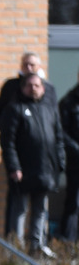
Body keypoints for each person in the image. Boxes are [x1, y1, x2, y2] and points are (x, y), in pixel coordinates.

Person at [0, 52, 59, 245]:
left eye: (33, 65)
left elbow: (57, 132)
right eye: (26, 64)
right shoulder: (13, 97)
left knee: (41, 208)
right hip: (22, 164)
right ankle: (15, 246)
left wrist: (59, 163)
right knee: (18, 207)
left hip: (45, 166)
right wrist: (14, 166)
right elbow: (8, 137)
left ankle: (37, 246)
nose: (30, 68)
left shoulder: (49, 97)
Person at [58, 68, 79, 248]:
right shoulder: (69, 102)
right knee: (74, 202)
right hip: (76, 163)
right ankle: (68, 245)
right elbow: (61, 133)